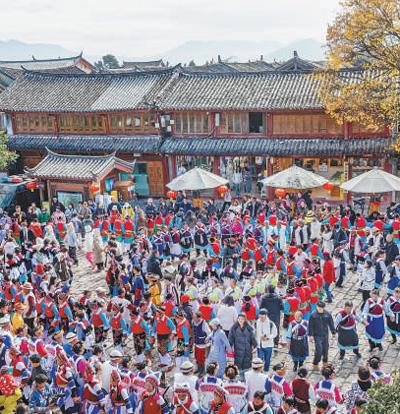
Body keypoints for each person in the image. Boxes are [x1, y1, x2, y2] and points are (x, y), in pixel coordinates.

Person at [308, 301, 335, 371]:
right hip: (317, 336)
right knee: (319, 350)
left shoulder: (327, 314)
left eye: (321, 308)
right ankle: (315, 363)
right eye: (318, 307)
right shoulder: (313, 315)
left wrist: (333, 332)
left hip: (325, 335)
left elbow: (331, 323)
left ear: (324, 308)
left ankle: (325, 362)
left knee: (326, 350)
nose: (319, 309)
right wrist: (310, 335)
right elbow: (310, 325)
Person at [228, 313, 257, 378]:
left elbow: (253, 338)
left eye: (242, 319)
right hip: (238, 350)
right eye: (239, 319)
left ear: (245, 319)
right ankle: (240, 379)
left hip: (247, 350)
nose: (240, 320)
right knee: (239, 366)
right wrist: (229, 347)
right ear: (237, 319)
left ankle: (246, 379)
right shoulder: (234, 328)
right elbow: (230, 338)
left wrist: (255, 346)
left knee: (246, 367)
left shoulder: (249, 327)